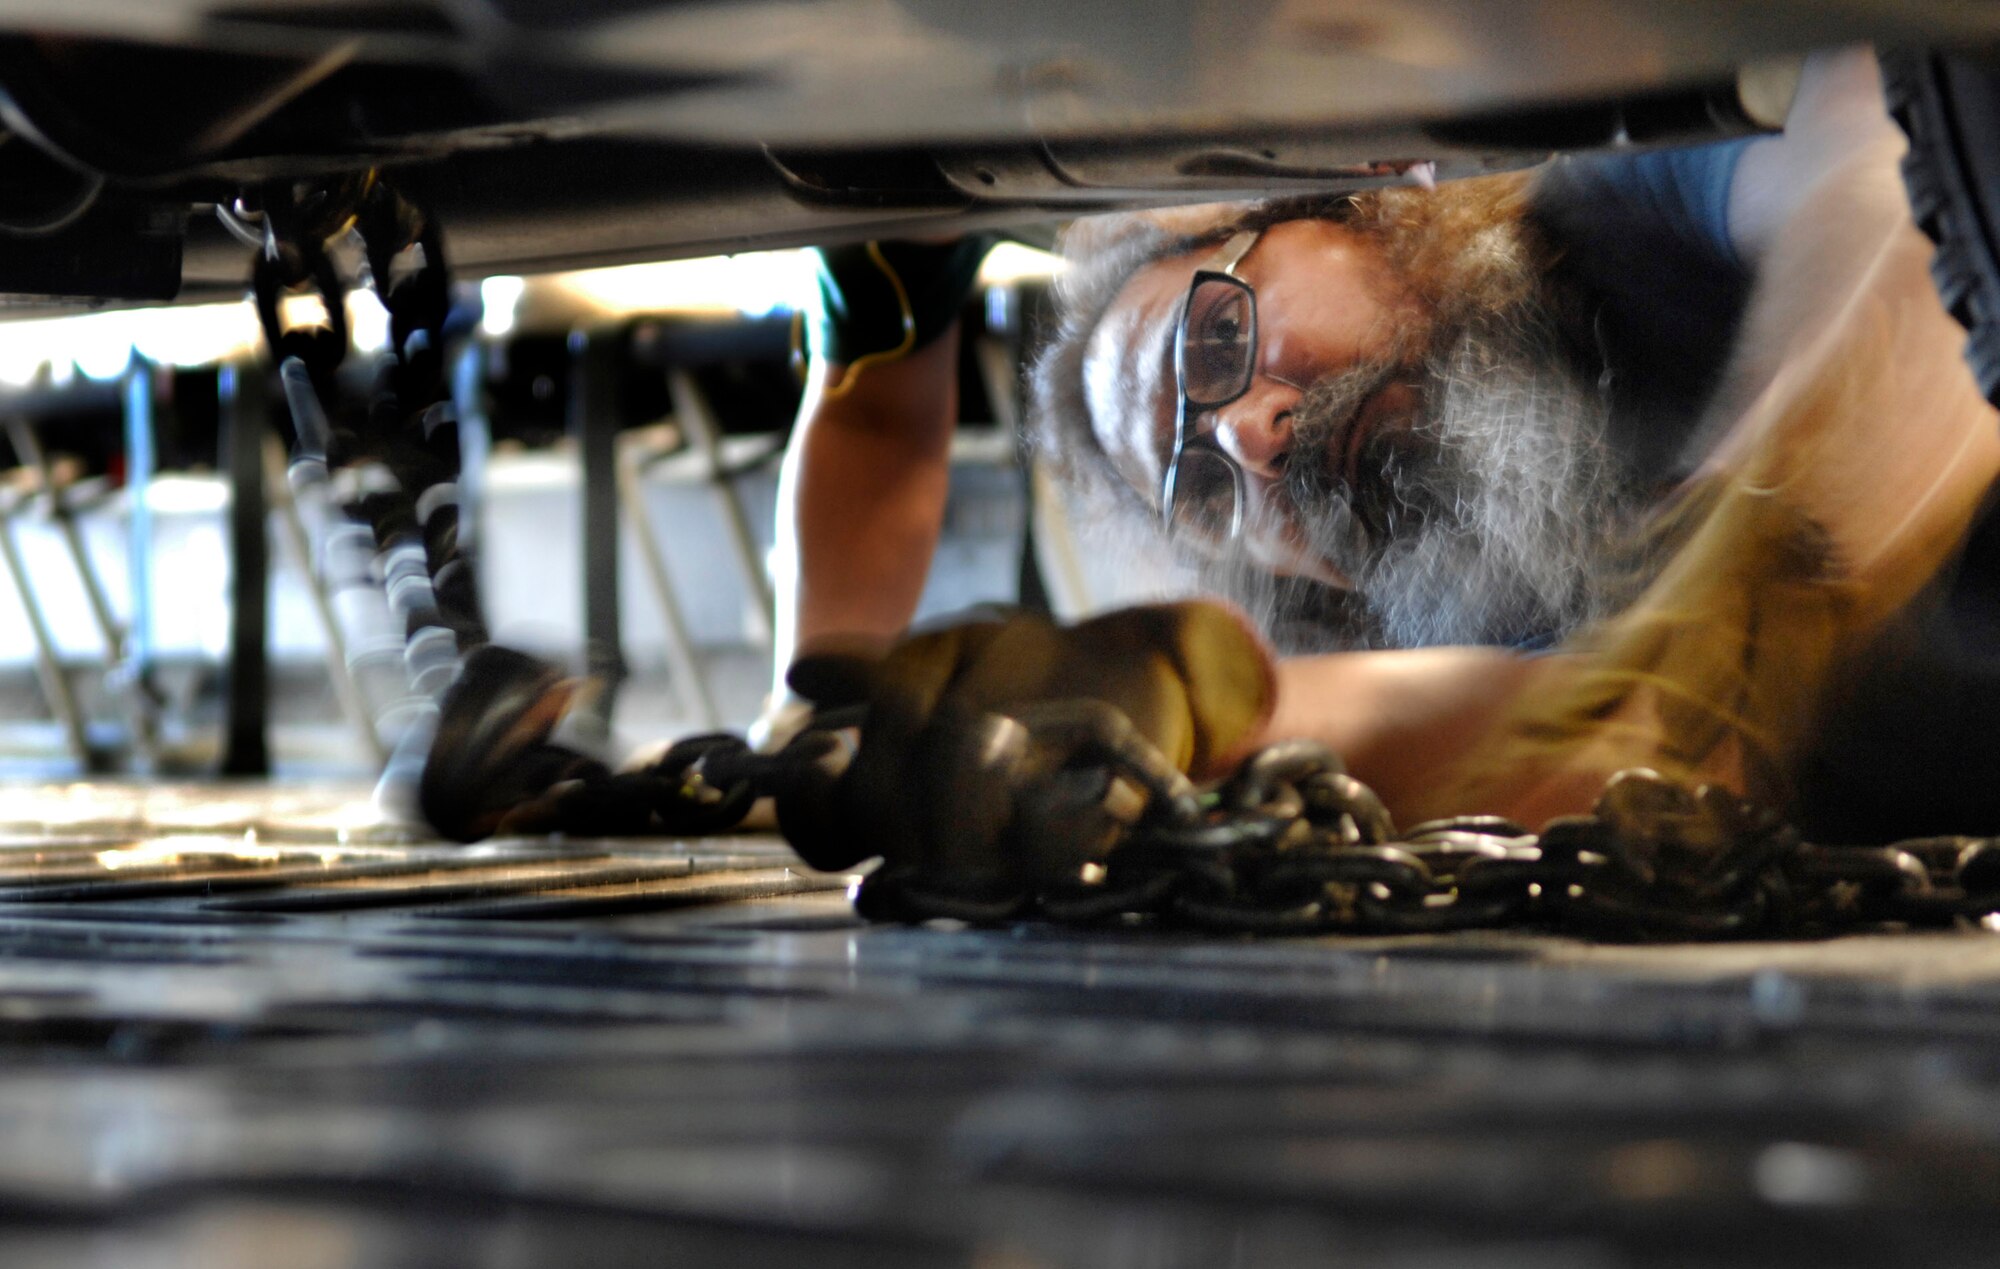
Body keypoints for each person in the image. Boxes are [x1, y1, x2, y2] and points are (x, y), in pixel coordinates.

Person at [780, 45, 2000, 854]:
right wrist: (1174, 732)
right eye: (1201, 488)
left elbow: (1889, 162)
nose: (1249, 439)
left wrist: (1760, 551)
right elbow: (1487, 720)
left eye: (1214, 340)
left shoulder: (1609, 209)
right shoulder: (1491, 593)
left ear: (1348, 216)